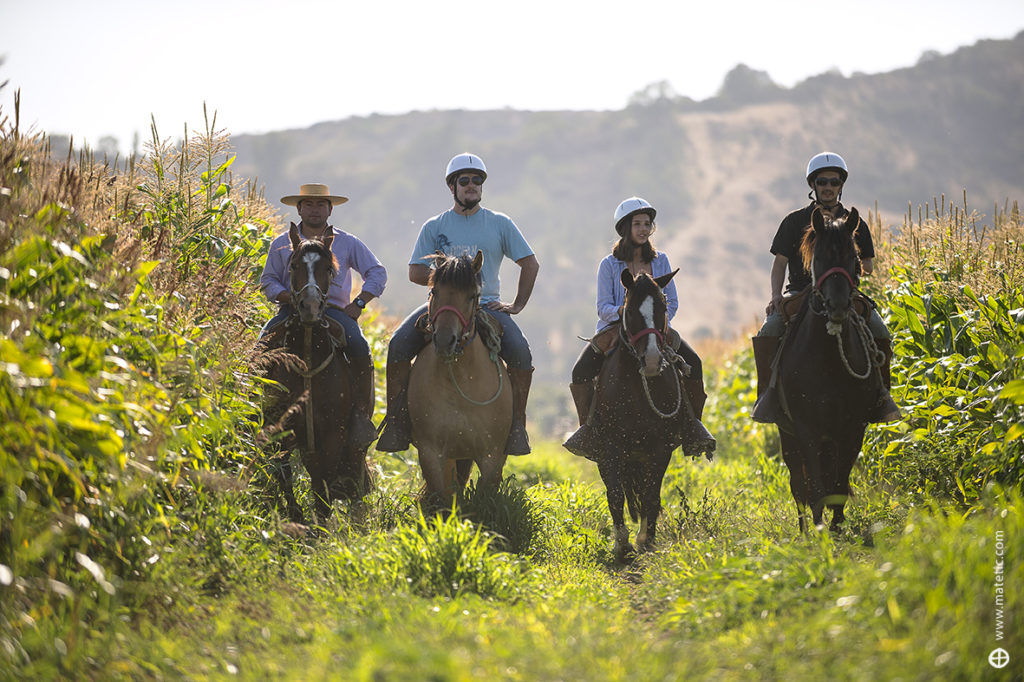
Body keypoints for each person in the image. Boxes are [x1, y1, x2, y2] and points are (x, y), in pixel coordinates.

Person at [376, 153, 540, 455]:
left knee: (520, 352)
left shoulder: (500, 223)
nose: (471, 186)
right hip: (441, 307)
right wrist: (447, 280)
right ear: (452, 187)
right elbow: (414, 272)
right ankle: (397, 422)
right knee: (398, 344)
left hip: (487, 306)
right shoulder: (434, 225)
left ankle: (517, 426)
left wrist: (516, 305)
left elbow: (530, 264)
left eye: (477, 180)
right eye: (464, 181)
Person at [751, 152, 900, 423]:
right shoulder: (794, 221)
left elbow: (868, 266)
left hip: (843, 292)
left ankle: (881, 395)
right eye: (822, 182)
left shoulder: (855, 223)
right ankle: (767, 395)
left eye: (834, 182)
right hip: (800, 291)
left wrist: (849, 261)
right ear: (813, 186)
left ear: (841, 186)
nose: (828, 187)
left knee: (879, 328)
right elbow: (779, 263)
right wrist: (775, 296)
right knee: (770, 328)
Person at [564, 197, 715, 460]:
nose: (644, 229)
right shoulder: (609, 265)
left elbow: (673, 301)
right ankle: (589, 430)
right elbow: (602, 307)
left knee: (695, 363)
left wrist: (658, 323)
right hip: (615, 328)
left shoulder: (661, 261)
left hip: (656, 328)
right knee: (580, 371)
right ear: (625, 228)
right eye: (638, 224)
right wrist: (623, 313)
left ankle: (693, 427)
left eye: (648, 224)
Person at [259, 183, 388, 450]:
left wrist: (360, 302)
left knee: (359, 347)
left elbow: (377, 272)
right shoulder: (281, 243)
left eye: (320, 204)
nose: (314, 209)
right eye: (309, 204)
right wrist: (288, 297)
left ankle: (360, 416)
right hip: (291, 308)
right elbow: (269, 280)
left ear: (330, 209)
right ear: (299, 208)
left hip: (333, 312)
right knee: (260, 347)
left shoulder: (348, 242)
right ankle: (255, 412)